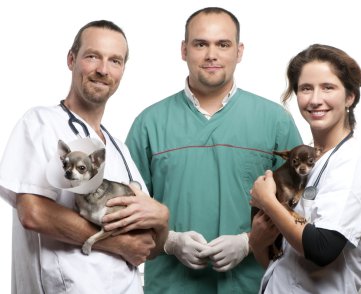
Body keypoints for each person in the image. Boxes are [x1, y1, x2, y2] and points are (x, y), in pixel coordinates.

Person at [124, 7, 301, 293]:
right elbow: (125, 212)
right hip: (171, 286)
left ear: (239, 51)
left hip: (254, 285)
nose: (211, 54)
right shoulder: (149, 124)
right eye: (200, 43)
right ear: (184, 50)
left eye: (223, 44)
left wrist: (248, 242)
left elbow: (300, 208)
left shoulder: (275, 121)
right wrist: (169, 240)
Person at [0, 20, 169, 294]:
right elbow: (32, 212)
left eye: (115, 61)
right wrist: (117, 243)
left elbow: (148, 247)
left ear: (122, 71)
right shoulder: (41, 123)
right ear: (71, 59)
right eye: (93, 56)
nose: (103, 70)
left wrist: (162, 218)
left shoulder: (118, 150)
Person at [249, 44, 361, 293]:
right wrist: (257, 244)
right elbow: (285, 266)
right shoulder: (311, 162)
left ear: (350, 96)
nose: (315, 99)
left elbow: (322, 248)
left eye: (328, 87)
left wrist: (268, 201)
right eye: (305, 88)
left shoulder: (351, 164)